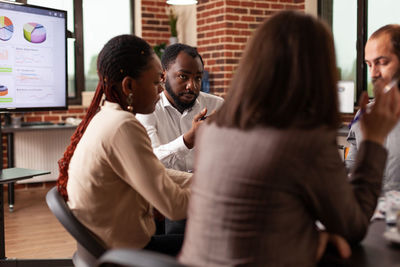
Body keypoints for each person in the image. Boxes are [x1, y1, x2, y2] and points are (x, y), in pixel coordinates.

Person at [179, 11, 400, 266]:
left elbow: (256, 220)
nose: (373, 74)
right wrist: (373, 141)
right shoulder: (305, 141)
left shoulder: (213, 131)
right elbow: (354, 226)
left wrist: (307, 238)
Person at [56, 35, 191, 256]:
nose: (160, 92)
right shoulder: (123, 126)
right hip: (125, 253)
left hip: (111, 244)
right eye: (157, 82)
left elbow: (153, 173)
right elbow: (173, 206)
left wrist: (199, 181)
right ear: (129, 85)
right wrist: (215, 192)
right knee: (217, 245)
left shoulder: (107, 116)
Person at [136, 43, 224, 173]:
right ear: (163, 75)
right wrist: (188, 140)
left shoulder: (216, 105)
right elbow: (150, 162)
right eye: (183, 76)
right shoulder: (148, 110)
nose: (192, 86)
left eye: (198, 78)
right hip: (167, 190)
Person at [346, 24, 400, 193]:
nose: (373, 73)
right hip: (370, 216)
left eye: (382, 62)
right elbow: (350, 172)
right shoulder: (364, 115)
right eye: (369, 65)